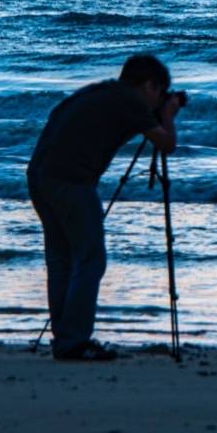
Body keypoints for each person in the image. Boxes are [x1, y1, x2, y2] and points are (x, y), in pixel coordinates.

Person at [26, 53, 183, 362]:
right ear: (149, 85)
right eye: (159, 91)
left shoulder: (101, 92)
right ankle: (74, 341)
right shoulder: (131, 102)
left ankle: (66, 339)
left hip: (40, 175)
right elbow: (166, 145)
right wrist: (169, 114)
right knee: (91, 259)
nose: (158, 99)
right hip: (70, 180)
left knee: (62, 261)